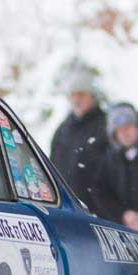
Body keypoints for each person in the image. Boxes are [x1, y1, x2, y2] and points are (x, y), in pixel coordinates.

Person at [89, 103, 138, 233]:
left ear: (137, 127)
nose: (125, 133)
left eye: (128, 127)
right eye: (119, 129)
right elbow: (100, 191)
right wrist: (123, 215)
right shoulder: (109, 160)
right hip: (122, 230)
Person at [49, 65, 106, 206]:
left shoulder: (105, 126)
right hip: (66, 207)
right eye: (72, 95)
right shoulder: (63, 129)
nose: (76, 100)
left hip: (99, 210)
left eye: (81, 94)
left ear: (92, 96)